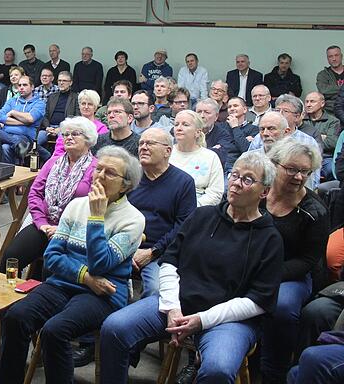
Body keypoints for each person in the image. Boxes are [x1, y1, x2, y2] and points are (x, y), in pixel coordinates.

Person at [100, 151, 283, 384]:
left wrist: (202, 320)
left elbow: (259, 300)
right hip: (178, 304)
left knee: (218, 368)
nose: (236, 182)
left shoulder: (269, 238)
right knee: (114, 328)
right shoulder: (202, 216)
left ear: (265, 191)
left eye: (247, 179)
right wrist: (173, 308)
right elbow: (169, 261)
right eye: (234, 175)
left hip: (229, 321)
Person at [0, 146, 144, 384]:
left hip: (104, 295)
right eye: (99, 169)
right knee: (16, 317)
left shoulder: (133, 219)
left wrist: (96, 217)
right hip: (68, 284)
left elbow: (101, 263)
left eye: (110, 173)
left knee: (55, 331)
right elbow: (52, 257)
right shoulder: (76, 206)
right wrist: (85, 276)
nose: (100, 176)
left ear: (126, 185)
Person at [260, 138, 329, 383]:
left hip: (292, 275)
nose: (299, 177)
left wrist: (268, 275)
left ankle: (274, 372)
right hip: (249, 266)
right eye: (292, 169)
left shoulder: (315, 210)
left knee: (281, 308)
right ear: (274, 164)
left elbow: (309, 259)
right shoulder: (258, 194)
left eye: (305, 171)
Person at [1, 117, 98, 277]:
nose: (68, 137)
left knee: (50, 270)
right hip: (44, 224)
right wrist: (41, 223)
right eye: (66, 134)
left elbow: (94, 207)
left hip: (73, 231)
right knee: (10, 257)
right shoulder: (53, 162)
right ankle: (8, 298)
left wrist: (62, 230)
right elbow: (35, 193)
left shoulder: (96, 168)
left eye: (75, 134)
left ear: (88, 139)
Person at [128, 128, 197, 299]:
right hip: (123, 248)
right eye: (141, 143)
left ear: (168, 151)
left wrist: (153, 251)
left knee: (156, 291)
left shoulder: (183, 182)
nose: (143, 147)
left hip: (160, 253)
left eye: (150, 143)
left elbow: (184, 226)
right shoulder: (130, 177)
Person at [249, 94, 322, 189]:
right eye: (277, 110)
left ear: (297, 116)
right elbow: (249, 162)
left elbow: (313, 176)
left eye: (285, 111)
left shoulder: (308, 141)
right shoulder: (260, 137)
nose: (280, 113)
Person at [169, 110, 224, 207]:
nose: (179, 128)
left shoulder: (211, 157)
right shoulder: (165, 153)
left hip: (198, 212)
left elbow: (215, 193)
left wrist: (191, 207)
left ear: (198, 132)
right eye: (176, 124)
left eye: (185, 125)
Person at [0, 75, 46, 165]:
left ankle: (10, 173)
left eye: (25, 85)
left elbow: (30, 118)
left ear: (32, 87)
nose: (21, 88)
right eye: (19, 85)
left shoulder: (39, 103)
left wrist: (13, 113)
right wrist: (23, 122)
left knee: (5, 147)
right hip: (7, 135)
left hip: (25, 137)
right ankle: (16, 144)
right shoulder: (12, 101)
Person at [36, 72, 79, 161]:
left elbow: (76, 117)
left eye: (64, 80)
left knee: (62, 143)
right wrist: (47, 127)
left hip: (65, 129)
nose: (61, 83)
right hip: (49, 127)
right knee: (35, 143)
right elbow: (45, 115)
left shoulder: (76, 98)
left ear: (70, 83)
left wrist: (60, 128)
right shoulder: (52, 97)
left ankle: (56, 161)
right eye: (59, 80)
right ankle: (50, 159)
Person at [303, 91, 341, 179]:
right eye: (306, 101)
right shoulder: (301, 119)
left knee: (332, 170)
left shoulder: (332, 121)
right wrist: (321, 137)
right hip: (303, 156)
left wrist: (309, 139)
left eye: (312, 101)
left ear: (322, 103)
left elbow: (332, 142)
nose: (308, 105)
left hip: (325, 158)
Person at [197, 98, 239, 171]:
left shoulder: (223, 134)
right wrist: (213, 149)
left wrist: (195, 151)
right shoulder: (189, 131)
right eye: (199, 112)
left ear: (216, 116)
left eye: (207, 112)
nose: (202, 116)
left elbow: (221, 156)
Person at [318, 46, 344, 118]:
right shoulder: (322, 75)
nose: (334, 59)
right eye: (330, 56)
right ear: (327, 59)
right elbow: (323, 91)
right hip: (330, 112)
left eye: (336, 55)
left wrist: (333, 92)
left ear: (341, 56)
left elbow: (328, 91)